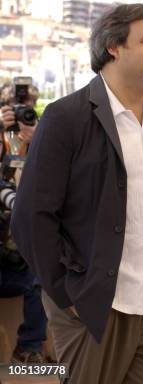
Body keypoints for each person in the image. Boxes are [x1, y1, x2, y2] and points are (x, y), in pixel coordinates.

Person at [11, 3, 143, 383]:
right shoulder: (66, 117)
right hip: (95, 307)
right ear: (114, 46)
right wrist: (67, 296)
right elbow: (31, 218)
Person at [0, 83, 51, 363]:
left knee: (41, 276)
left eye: (28, 110)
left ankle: (30, 348)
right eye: (16, 109)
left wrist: (39, 138)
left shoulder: (40, 139)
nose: (22, 116)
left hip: (23, 247)